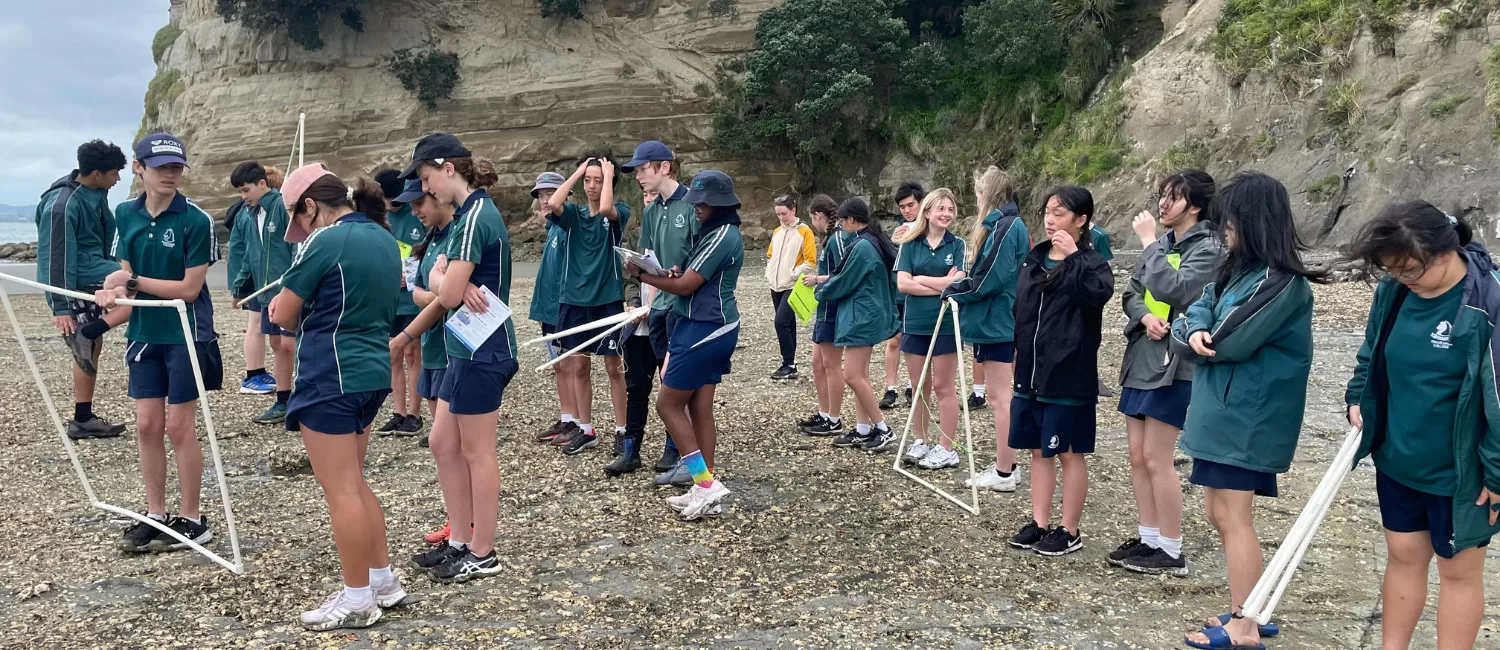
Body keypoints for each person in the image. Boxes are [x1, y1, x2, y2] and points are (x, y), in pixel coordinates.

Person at [1170, 172, 1324, 650]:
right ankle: (1247, 604)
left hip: (1248, 418)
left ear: (1254, 220)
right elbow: (1197, 311)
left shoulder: (1284, 285)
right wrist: (1192, 331)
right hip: (1221, 410)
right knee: (1218, 510)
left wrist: (1194, 335)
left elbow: (1226, 340)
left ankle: (1245, 625)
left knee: (1235, 515)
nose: (1224, 230)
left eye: (1230, 221)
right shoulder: (1237, 271)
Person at [1342, 201, 1500, 650]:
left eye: (1412, 268)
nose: (1404, 278)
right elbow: (1371, 355)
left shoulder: (1487, 301)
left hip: (1462, 472)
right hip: (1398, 459)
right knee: (1403, 556)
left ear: (1446, 250)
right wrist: (1357, 399)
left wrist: (1497, 470)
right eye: (1394, 270)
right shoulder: (1393, 293)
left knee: (1458, 572)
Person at [267, 165, 405, 631]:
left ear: (311, 206)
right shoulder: (384, 237)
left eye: (299, 217)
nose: (301, 228)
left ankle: (357, 598)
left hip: (330, 373)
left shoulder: (326, 241)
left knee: (341, 489)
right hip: (370, 373)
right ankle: (383, 581)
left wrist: (280, 303)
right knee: (356, 482)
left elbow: (283, 314)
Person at [392, 134, 516, 583]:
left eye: (426, 179)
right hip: (463, 347)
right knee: (443, 443)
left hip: (485, 348)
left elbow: (443, 291)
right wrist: (451, 283)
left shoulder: (477, 215)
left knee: (477, 452)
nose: (426, 191)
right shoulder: (466, 216)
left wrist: (448, 277)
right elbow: (447, 291)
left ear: (448, 168)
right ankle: (460, 539)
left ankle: (483, 550)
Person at [95, 133, 217, 553]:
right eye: (161, 166)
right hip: (144, 332)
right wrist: (112, 288)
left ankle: (193, 519)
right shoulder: (124, 213)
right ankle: (155, 514)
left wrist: (130, 281)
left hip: (186, 332)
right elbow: (125, 272)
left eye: (176, 167)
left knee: (179, 426)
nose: (170, 174)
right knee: (147, 425)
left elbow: (188, 288)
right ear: (139, 167)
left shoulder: (195, 220)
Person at [1112, 170, 1220, 576]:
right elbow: (1132, 292)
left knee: (1159, 458)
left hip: (1177, 365)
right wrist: (1142, 318)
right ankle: (1149, 538)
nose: (1162, 204)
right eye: (1161, 195)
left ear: (1194, 206)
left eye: (1173, 197)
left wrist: (1147, 243)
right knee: (1138, 457)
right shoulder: (1163, 244)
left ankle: (1172, 549)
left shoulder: (1208, 247)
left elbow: (1178, 288)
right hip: (1143, 355)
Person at [628, 170, 744, 519]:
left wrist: (641, 274)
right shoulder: (719, 232)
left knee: (668, 405)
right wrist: (674, 274)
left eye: (702, 204)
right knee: (698, 407)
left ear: (716, 205)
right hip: (715, 325)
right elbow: (693, 278)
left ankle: (706, 484)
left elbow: (687, 287)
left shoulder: (722, 235)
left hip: (704, 328)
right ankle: (703, 487)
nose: (696, 209)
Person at [1007, 186, 1113, 558]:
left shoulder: (1092, 260)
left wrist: (1073, 260)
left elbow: (1099, 294)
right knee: (1037, 450)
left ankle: (1070, 529)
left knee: (1069, 452)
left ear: (1081, 220)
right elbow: (1019, 311)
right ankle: (1039, 523)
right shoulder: (1034, 259)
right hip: (1031, 373)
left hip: (1069, 373)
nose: (1051, 219)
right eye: (1048, 211)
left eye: (1061, 213)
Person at [35, 139, 131, 439]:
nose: (118, 179)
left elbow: (107, 235)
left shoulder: (96, 192)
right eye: (115, 173)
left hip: (97, 265)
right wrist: (61, 307)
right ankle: (81, 417)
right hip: (76, 276)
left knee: (94, 347)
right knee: (141, 286)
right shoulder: (62, 206)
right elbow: (55, 256)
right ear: (97, 173)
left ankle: (83, 417)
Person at [945, 167, 1028, 491]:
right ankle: (1008, 465)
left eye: (979, 192)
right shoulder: (1005, 225)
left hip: (998, 322)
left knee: (999, 397)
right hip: (996, 320)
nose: (976, 198)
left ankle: (1005, 471)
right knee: (1000, 396)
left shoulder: (1006, 227)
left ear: (989, 194)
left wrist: (956, 290)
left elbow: (991, 277)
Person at [544, 157, 632, 455]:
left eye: (598, 180)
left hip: (607, 301)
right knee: (579, 366)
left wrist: (608, 175)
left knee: (614, 367)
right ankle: (586, 429)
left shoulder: (619, 212)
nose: (591, 186)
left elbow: (607, 208)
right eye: (588, 180)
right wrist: (578, 172)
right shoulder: (573, 214)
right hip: (573, 301)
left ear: (608, 182)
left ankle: (622, 431)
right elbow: (553, 203)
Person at [623, 141, 698, 485]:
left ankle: (692, 464)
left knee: (686, 390)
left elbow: (703, 259)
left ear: (664, 167)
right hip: (659, 310)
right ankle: (694, 468)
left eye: (642, 169)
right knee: (669, 386)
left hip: (690, 311)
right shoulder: (652, 212)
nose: (638, 176)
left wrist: (680, 273)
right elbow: (646, 258)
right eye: (637, 171)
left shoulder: (693, 204)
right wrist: (636, 276)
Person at [811, 198, 899, 449]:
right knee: (860, 375)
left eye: (841, 219)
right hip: (866, 314)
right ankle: (862, 429)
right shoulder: (870, 241)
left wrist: (820, 291)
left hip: (862, 316)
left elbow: (843, 280)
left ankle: (882, 429)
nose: (839, 224)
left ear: (851, 220)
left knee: (851, 374)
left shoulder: (862, 246)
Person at [888, 188, 967, 464]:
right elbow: (902, 283)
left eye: (950, 209)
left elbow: (958, 284)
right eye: (941, 209)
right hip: (915, 323)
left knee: (945, 386)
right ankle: (920, 440)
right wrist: (940, 285)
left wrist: (921, 279)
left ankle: (946, 448)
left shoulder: (957, 245)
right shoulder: (910, 243)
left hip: (945, 323)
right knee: (919, 385)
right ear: (928, 212)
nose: (946, 214)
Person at [227, 161, 297, 425]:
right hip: (264, 291)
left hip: (288, 288)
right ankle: (282, 400)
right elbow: (249, 254)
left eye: (246, 190)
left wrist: (296, 283)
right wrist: (239, 286)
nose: (243, 197)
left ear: (262, 184)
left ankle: (301, 398)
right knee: (277, 344)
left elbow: (298, 247)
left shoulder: (281, 206)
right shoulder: (247, 215)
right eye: (240, 192)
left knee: (291, 343)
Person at [529, 172, 582, 445]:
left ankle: (579, 422)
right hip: (550, 311)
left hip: (565, 309)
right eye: (541, 195)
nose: (545, 200)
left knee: (572, 365)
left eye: (550, 193)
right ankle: (567, 418)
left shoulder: (567, 228)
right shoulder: (551, 230)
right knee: (560, 366)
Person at [375, 169, 428, 436]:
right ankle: (398, 412)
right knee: (392, 353)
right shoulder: (380, 219)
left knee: (412, 354)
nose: (392, 205)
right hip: (388, 299)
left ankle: (415, 414)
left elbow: (429, 254)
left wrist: (410, 278)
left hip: (412, 297)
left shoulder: (417, 213)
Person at [797, 195, 846, 437]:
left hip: (834, 309)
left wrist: (817, 279)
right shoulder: (829, 239)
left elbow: (844, 274)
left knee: (831, 365)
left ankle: (834, 418)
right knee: (817, 364)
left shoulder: (837, 239)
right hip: (824, 308)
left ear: (817, 216)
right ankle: (824, 412)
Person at [880, 181, 923, 410]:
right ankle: (891, 387)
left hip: (919, 294)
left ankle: (912, 384)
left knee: (915, 342)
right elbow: (890, 261)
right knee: (894, 338)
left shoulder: (930, 229)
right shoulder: (898, 230)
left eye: (911, 205)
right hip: (898, 293)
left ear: (921, 203)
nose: (907, 210)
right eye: (902, 206)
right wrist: (894, 243)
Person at [765, 194, 817, 380]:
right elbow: (771, 254)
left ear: (793, 210)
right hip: (776, 283)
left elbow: (810, 260)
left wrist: (794, 273)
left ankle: (788, 363)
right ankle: (790, 363)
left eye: (784, 213)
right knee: (787, 322)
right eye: (778, 214)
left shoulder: (805, 231)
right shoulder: (778, 231)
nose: (781, 218)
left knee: (780, 321)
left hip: (793, 284)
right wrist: (770, 272)